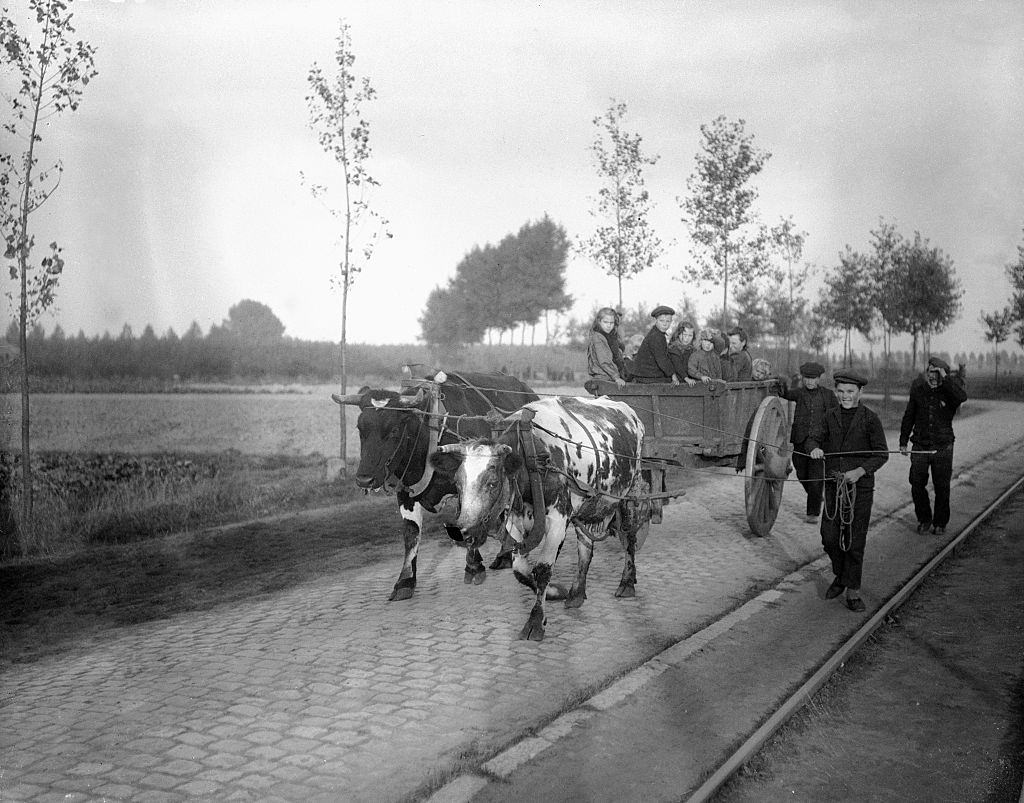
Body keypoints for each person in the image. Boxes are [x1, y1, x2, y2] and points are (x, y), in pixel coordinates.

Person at [807, 371, 889, 612]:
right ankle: (841, 575)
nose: (845, 396)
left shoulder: (870, 419)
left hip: (860, 488)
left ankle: (852, 591)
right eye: (841, 392)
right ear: (836, 392)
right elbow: (813, 439)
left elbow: (881, 454)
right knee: (829, 537)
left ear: (860, 393)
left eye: (850, 392)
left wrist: (861, 471)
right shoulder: (829, 416)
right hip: (834, 485)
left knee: (854, 540)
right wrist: (814, 449)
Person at [898, 355, 968, 535]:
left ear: (942, 375)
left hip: (943, 447)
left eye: (937, 374)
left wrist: (946, 379)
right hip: (920, 446)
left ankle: (940, 522)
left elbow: (962, 397)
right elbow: (909, 415)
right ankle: (924, 518)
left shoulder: (950, 391)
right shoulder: (918, 389)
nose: (932, 377)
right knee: (916, 483)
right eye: (930, 372)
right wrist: (903, 441)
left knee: (942, 487)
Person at [782, 361, 839, 522]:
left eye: (813, 378)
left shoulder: (828, 395)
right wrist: (780, 382)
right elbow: (785, 394)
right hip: (800, 441)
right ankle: (815, 495)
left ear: (819, 378)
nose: (809, 382)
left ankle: (813, 513)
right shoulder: (799, 393)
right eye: (806, 378)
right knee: (802, 474)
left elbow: (836, 417)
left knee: (815, 478)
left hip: (819, 445)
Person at [630, 305, 680, 384]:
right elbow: (662, 360)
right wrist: (673, 375)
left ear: (671, 322)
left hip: (646, 374)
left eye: (668, 321)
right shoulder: (656, 337)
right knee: (676, 382)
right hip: (647, 376)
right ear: (655, 321)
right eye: (661, 321)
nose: (665, 324)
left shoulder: (657, 334)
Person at [586, 307, 628, 387]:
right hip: (604, 376)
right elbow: (604, 361)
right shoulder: (598, 338)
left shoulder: (610, 337)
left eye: (611, 323)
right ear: (599, 322)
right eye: (605, 322)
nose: (608, 325)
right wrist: (616, 378)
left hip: (609, 375)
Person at [668, 321, 699, 386]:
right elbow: (677, 366)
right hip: (677, 382)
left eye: (690, 335)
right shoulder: (673, 348)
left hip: (690, 382)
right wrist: (687, 379)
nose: (687, 338)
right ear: (679, 334)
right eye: (684, 335)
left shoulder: (693, 350)